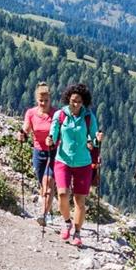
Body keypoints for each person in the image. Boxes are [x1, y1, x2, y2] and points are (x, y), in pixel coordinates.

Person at [49, 82, 100, 247]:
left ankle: (77, 233)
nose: (76, 104)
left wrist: (96, 141)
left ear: (83, 102)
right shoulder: (60, 115)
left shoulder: (88, 117)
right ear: (68, 100)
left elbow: (93, 139)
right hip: (62, 160)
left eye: (79, 101)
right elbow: (53, 135)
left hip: (83, 163)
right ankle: (66, 222)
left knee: (80, 200)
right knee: (62, 194)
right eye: (73, 101)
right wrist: (49, 139)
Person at [22, 82, 60, 230]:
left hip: (54, 152)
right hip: (38, 152)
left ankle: (43, 215)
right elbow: (27, 127)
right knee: (42, 184)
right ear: (37, 100)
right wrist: (23, 134)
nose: (43, 103)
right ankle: (49, 209)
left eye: (46, 100)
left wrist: (54, 139)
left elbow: (61, 133)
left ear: (50, 99)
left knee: (48, 183)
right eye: (41, 100)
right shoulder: (31, 113)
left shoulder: (56, 114)